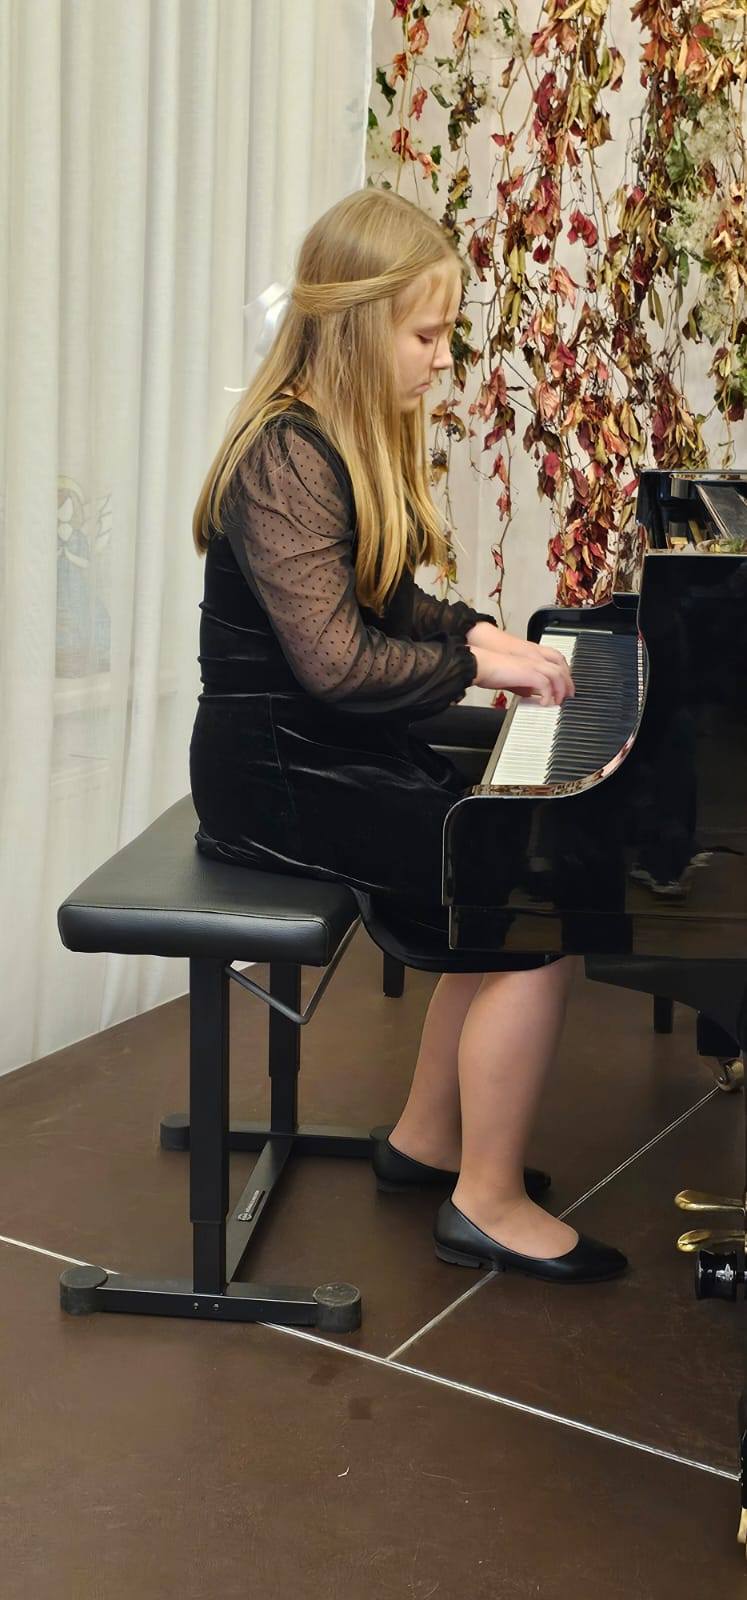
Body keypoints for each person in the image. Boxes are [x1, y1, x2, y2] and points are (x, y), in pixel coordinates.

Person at [189, 188, 627, 1285]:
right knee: (537, 890)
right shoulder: (284, 457)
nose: (440, 360)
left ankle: (431, 1140)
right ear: (356, 326)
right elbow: (339, 663)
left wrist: (475, 631)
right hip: (275, 774)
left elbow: (384, 599)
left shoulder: (330, 439)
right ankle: (485, 1202)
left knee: (501, 854)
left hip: (318, 753)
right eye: (426, 336)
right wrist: (478, 668)